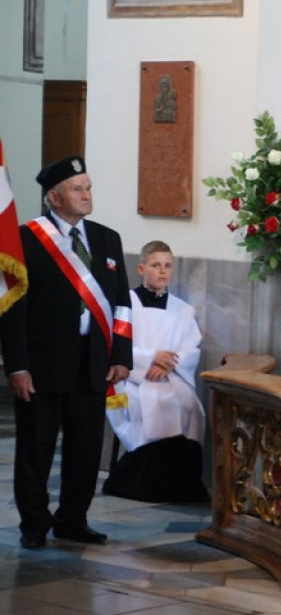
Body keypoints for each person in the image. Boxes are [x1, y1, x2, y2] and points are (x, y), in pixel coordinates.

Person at [0, 156, 132, 549]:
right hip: (42, 364)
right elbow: (12, 311)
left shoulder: (108, 239)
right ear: (54, 198)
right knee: (35, 449)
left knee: (86, 448)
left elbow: (121, 304)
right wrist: (17, 366)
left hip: (93, 361)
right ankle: (34, 524)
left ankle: (73, 519)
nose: (87, 195)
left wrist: (121, 355)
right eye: (78, 189)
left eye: (88, 187)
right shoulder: (25, 241)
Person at [102, 241, 207, 503]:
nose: (162, 271)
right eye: (155, 265)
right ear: (141, 268)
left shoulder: (182, 309)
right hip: (129, 380)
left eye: (168, 266)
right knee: (153, 404)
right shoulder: (125, 305)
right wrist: (150, 359)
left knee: (188, 405)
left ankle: (180, 485)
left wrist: (168, 363)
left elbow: (190, 348)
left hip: (171, 376)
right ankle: (139, 483)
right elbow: (115, 345)